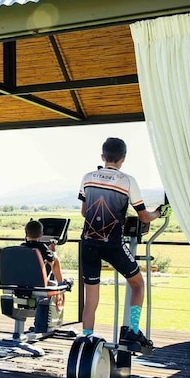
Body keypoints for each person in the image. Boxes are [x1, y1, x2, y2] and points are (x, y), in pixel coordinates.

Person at [77, 138, 167, 347]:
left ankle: (87, 339)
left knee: (91, 295)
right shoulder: (127, 181)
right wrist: (159, 212)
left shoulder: (88, 177)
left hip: (88, 243)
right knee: (138, 284)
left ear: (102, 156)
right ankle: (132, 330)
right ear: (123, 158)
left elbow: (84, 212)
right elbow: (144, 217)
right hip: (113, 245)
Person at [22, 219, 67, 311]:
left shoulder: (22, 247)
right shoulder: (42, 248)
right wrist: (53, 251)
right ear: (41, 234)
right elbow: (52, 260)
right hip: (39, 283)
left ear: (26, 233)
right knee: (55, 259)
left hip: (23, 282)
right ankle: (61, 284)